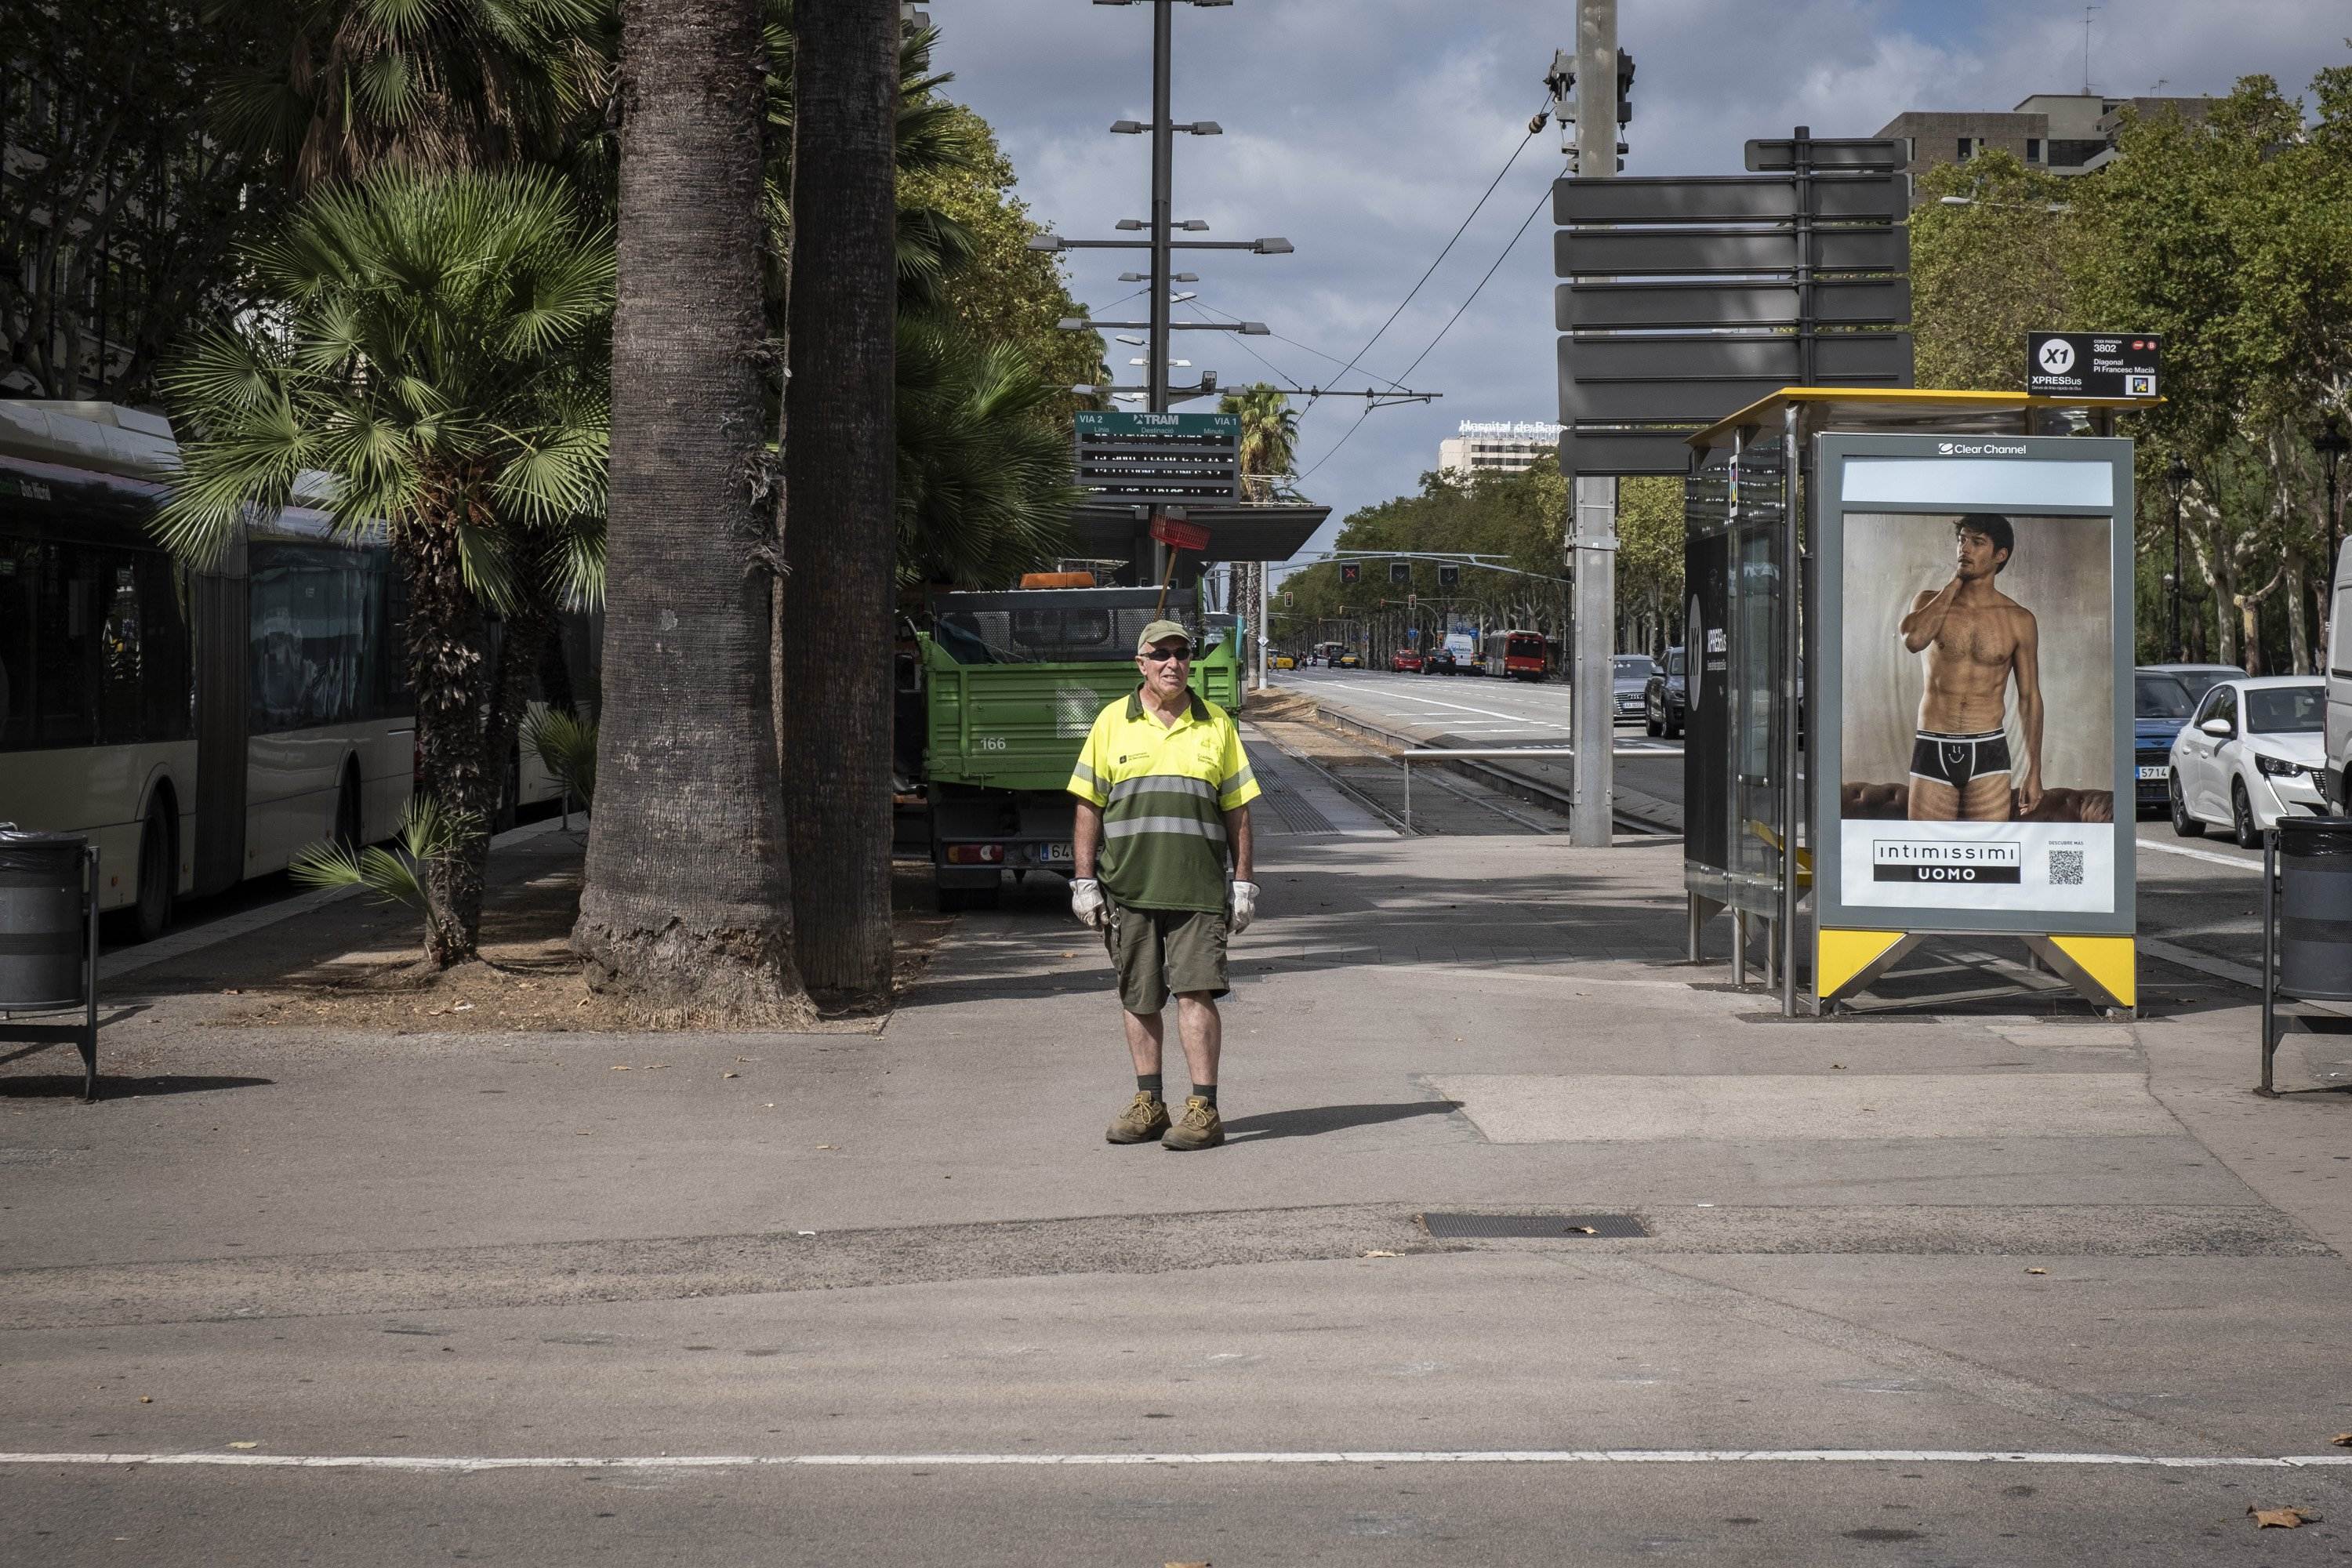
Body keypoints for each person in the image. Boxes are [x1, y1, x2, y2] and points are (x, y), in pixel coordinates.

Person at [1065, 619, 1260, 1151]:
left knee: (1196, 993)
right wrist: (1084, 882)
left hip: (1198, 892)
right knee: (1139, 997)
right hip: (1128, 889)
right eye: (1161, 654)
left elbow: (1238, 811)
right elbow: (1089, 806)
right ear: (1141, 663)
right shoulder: (1111, 722)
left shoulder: (1216, 724)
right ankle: (1150, 1102)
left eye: (1181, 653)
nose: (1173, 663)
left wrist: (1243, 884)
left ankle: (1204, 1108)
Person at [1898, 513, 2044, 821]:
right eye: (1962, 540)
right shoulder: (1929, 602)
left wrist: (2034, 771)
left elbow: (2029, 697)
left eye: (1977, 543)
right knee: (1927, 853)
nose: (1965, 548)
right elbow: (1913, 640)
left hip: (1988, 748)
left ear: (2000, 555)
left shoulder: (2019, 620)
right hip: (1933, 743)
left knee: (1987, 858)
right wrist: (1956, 583)